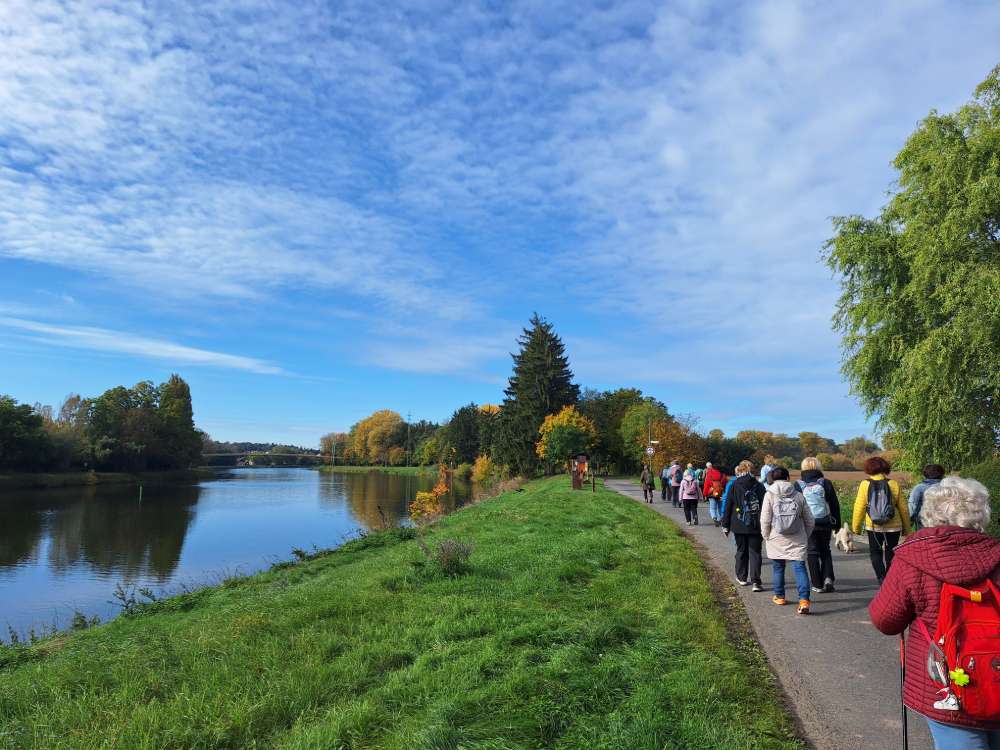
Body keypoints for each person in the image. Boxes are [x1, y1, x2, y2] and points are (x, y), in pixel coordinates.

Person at [869, 477, 1000, 749]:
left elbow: (885, 620)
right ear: (981, 514)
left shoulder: (913, 557)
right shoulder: (995, 554)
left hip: (946, 686)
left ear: (930, 514)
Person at [760, 466, 815, 614]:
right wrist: (805, 535)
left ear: (772, 479)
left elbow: (765, 519)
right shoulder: (798, 495)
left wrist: (766, 536)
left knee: (778, 567)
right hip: (797, 538)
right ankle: (804, 600)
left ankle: (779, 596)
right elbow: (810, 520)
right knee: (800, 567)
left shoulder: (769, 494)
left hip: (776, 537)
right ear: (788, 478)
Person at [851, 456, 911, 584]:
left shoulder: (865, 484)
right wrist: (907, 528)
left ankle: (881, 578)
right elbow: (904, 508)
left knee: (875, 553)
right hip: (894, 526)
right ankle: (890, 579)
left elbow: (859, 507)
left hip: (873, 526)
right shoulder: (893, 484)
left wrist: (856, 527)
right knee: (891, 553)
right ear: (885, 468)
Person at [797, 457, 842, 593]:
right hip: (825, 522)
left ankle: (817, 584)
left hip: (807, 523)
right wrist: (837, 524)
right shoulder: (825, 483)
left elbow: (796, 506)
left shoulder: (798, 484)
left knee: (812, 552)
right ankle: (828, 578)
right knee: (825, 550)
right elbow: (834, 504)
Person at [721, 460, 766, 591]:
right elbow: (765, 507)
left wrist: (725, 525)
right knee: (755, 553)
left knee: (741, 551)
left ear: (740, 470)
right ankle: (756, 582)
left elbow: (728, 506)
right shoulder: (759, 486)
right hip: (756, 524)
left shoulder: (734, 485)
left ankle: (742, 577)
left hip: (739, 523)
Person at [909, 463, 945, 530]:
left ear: (925, 474)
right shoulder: (947, 487)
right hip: (945, 522)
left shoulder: (919, 488)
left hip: (924, 522)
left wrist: (910, 521)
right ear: (942, 474)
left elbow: (913, 506)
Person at [703, 461, 726, 527]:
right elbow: (725, 484)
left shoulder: (709, 474)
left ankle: (714, 518)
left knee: (712, 508)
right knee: (720, 507)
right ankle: (720, 519)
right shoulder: (722, 475)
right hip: (720, 493)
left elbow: (706, 485)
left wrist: (705, 493)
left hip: (711, 493)